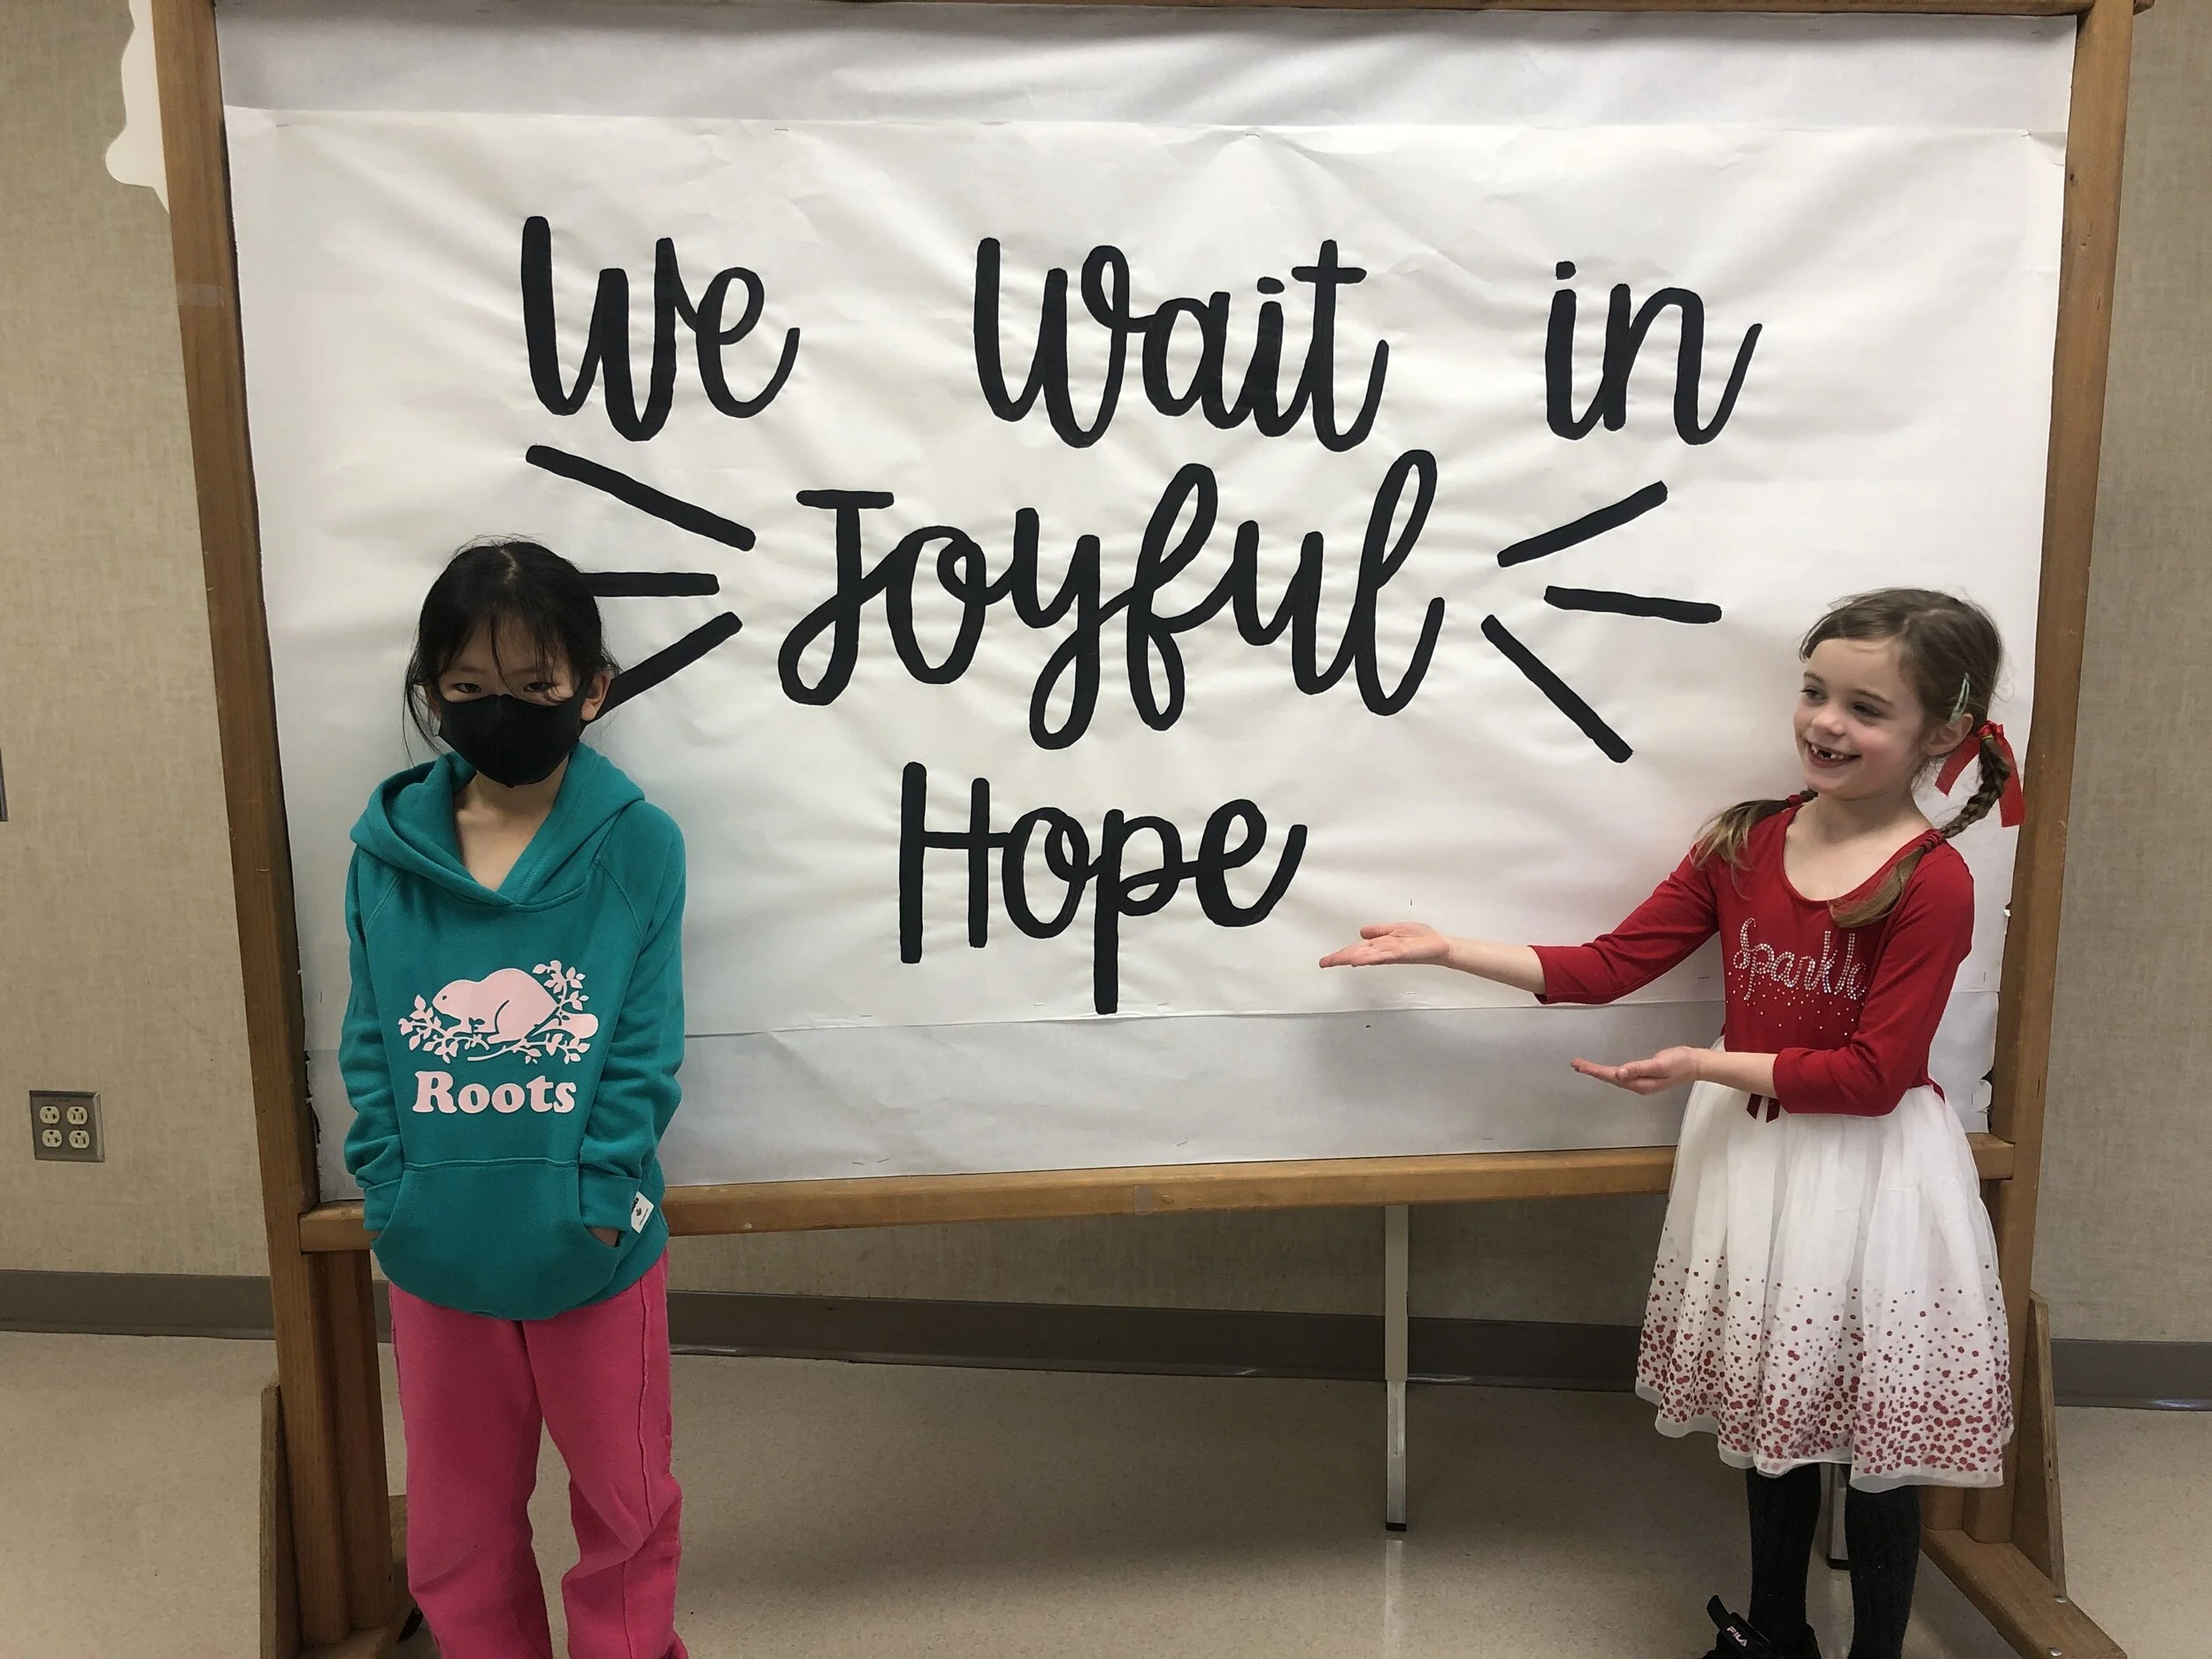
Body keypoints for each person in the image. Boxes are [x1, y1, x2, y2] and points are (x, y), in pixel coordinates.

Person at [1322, 588, 2021, 1659]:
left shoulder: (1932, 883)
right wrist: (1448, 949)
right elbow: (1610, 964)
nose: (1825, 723)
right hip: (1754, 1160)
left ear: (1943, 734)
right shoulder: (1743, 842)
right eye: (1814, 692)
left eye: (1865, 709)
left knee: (1871, 1444)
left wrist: (1702, 1062)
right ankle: (1774, 1633)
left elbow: (1873, 1076)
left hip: (1868, 1174)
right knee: (1771, 1417)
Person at [341, 540, 688, 1659]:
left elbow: (643, 1044)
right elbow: (370, 1037)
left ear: (592, 687)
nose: (503, 712)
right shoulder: (384, 857)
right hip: (436, 1241)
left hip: (594, 1242)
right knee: (455, 1517)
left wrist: (603, 1197)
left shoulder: (639, 845)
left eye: (537, 686)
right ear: (431, 694)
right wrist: (390, 1189)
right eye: (468, 687)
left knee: (626, 1505)